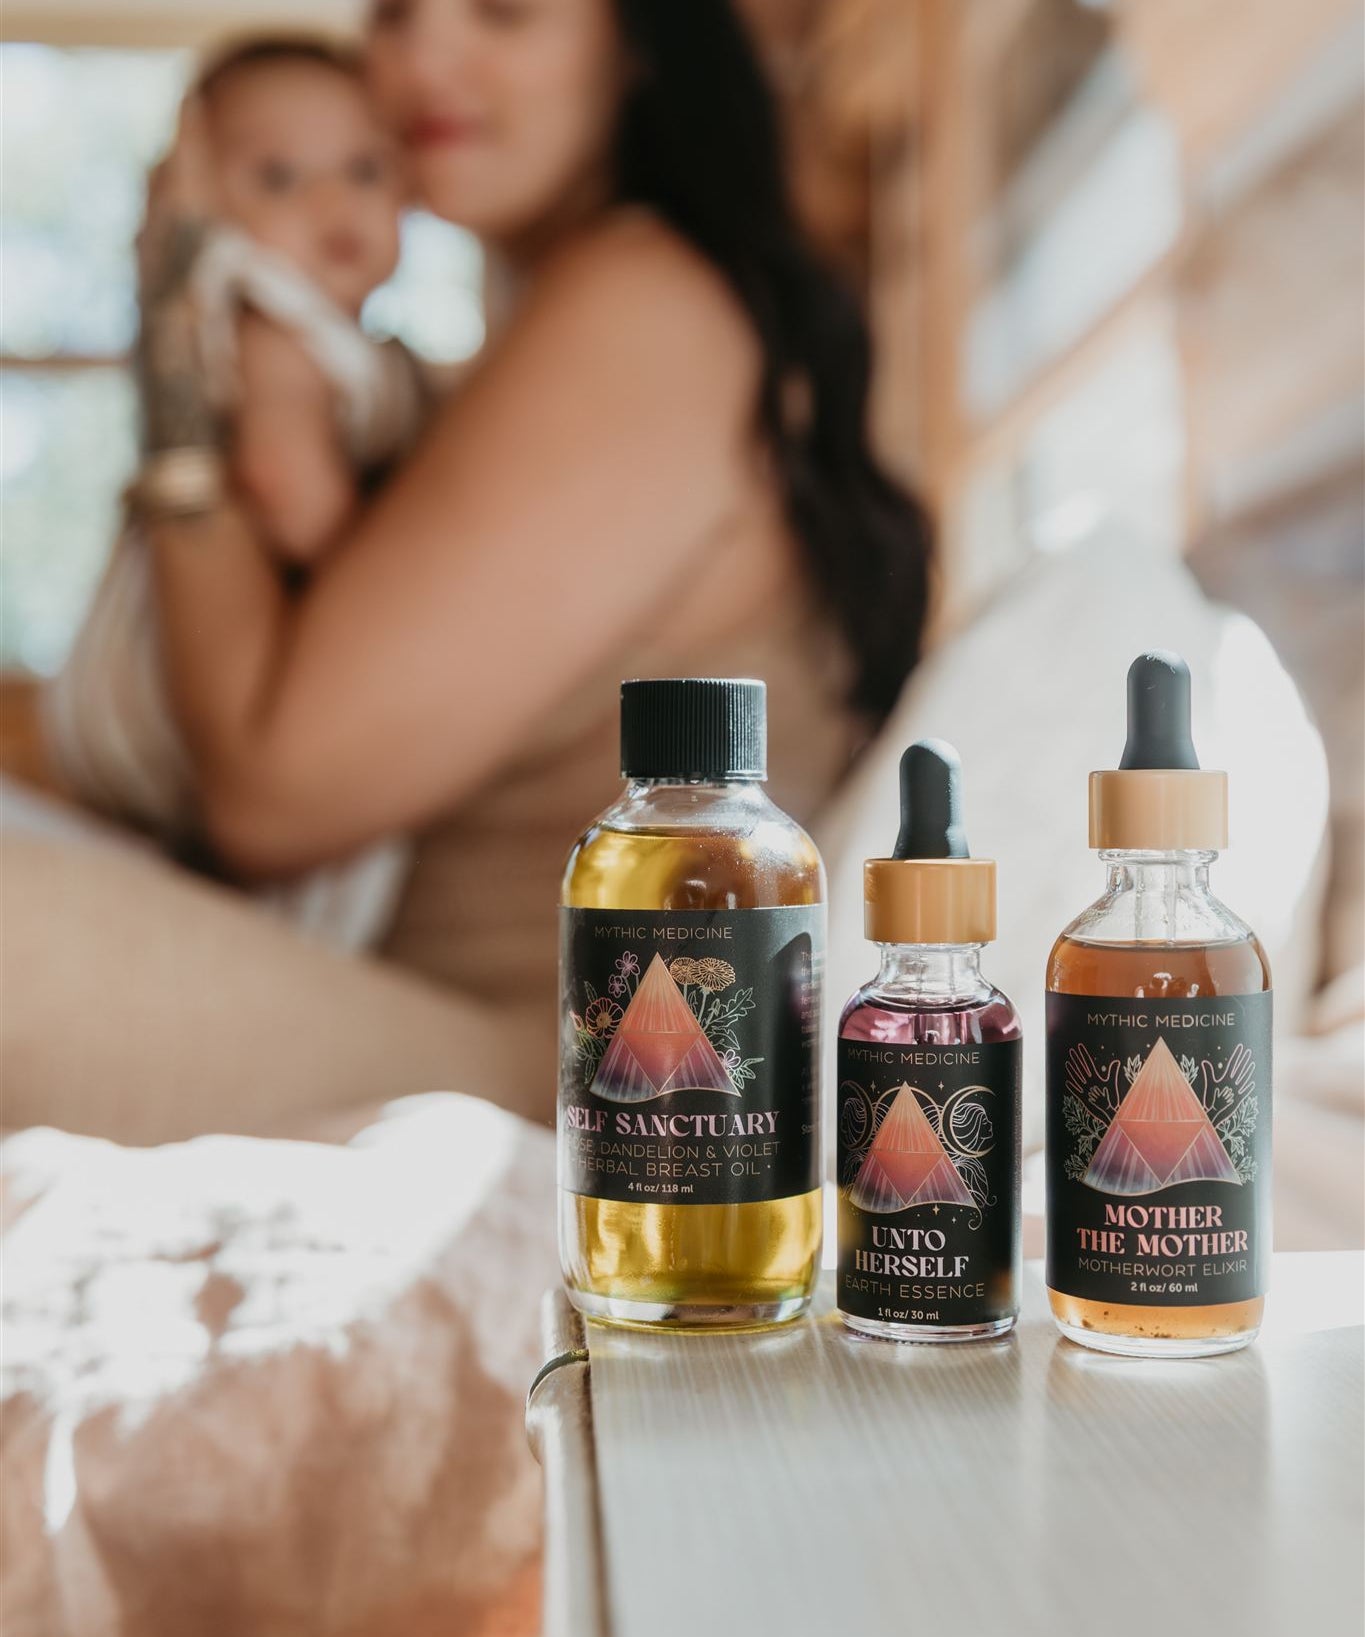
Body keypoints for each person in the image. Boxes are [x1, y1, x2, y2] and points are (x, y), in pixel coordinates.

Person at [3, 0, 933, 1141]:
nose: (423, 56)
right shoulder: (543, 329)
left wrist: (180, 358)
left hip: (556, 1062)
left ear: (639, 44)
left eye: (503, 10)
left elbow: (272, 785)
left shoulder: (644, 304)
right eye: (397, 10)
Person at [44, 37, 423, 949]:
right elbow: (282, 481)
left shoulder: (345, 343)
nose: (332, 201)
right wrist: (393, 572)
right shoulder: (274, 328)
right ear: (201, 204)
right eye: (278, 177)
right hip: (170, 690)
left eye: (365, 169)